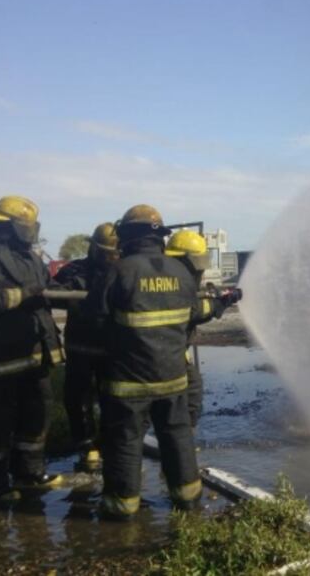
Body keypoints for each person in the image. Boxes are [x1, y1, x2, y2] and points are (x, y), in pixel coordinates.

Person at [86, 205, 204, 518]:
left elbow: (95, 322)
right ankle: (188, 502)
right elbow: (192, 318)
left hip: (127, 384)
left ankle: (121, 511)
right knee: (177, 437)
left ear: (127, 236)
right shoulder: (181, 272)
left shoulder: (119, 272)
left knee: (124, 442)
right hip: (174, 379)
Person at [0, 196, 63, 503]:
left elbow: (44, 288)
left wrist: (62, 294)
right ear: (9, 227)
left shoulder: (30, 258)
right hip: (2, 359)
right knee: (0, 422)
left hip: (34, 356)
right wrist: (22, 295)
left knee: (37, 414)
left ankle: (28, 473)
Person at [53, 222, 119, 471]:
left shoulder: (125, 270)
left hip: (112, 350)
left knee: (112, 398)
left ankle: (111, 444)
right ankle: (87, 447)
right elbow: (54, 292)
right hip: (80, 348)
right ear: (93, 248)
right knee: (78, 400)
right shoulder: (75, 270)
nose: (108, 257)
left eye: (112, 253)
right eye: (104, 252)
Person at [164, 230, 240, 427]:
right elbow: (195, 310)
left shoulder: (163, 275)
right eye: (196, 263)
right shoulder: (175, 281)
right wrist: (222, 302)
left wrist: (219, 300)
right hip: (167, 354)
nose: (200, 270)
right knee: (190, 392)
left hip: (156, 352)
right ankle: (182, 441)